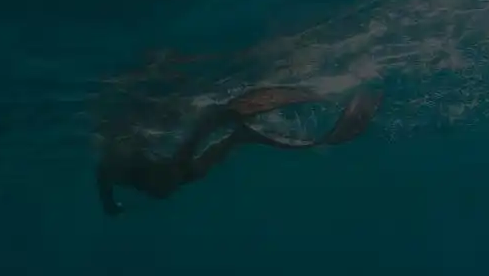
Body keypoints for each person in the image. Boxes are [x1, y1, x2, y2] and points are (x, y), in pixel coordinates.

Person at [95, 86, 382, 216]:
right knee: (222, 130)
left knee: (212, 124)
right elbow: (225, 138)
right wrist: (240, 134)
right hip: (173, 159)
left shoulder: (125, 166)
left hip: (155, 142)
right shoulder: (186, 172)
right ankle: (239, 123)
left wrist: (109, 203)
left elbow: (104, 172)